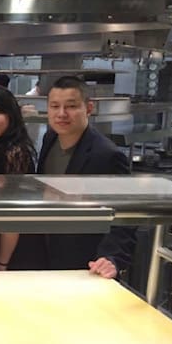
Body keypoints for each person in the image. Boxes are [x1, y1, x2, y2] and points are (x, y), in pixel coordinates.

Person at [38, 76, 137, 279]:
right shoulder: (50, 138)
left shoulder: (107, 155)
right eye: (54, 106)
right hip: (47, 251)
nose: (61, 114)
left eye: (71, 106)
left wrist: (111, 258)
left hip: (85, 261)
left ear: (88, 108)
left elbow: (125, 214)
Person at [0, 85, 44, 271]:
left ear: (10, 114)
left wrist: (2, 263)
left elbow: (12, 213)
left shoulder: (16, 153)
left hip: (14, 245)